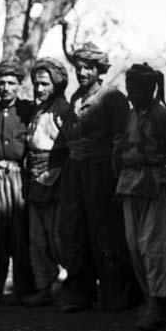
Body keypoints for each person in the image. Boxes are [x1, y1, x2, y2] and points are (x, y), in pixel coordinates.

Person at [60, 42, 140, 312]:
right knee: (76, 230)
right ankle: (81, 294)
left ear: (99, 69)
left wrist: (117, 173)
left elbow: (124, 136)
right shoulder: (74, 99)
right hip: (77, 171)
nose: (82, 73)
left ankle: (117, 293)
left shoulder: (112, 97)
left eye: (88, 68)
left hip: (102, 171)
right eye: (79, 68)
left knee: (106, 230)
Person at [116, 64, 166, 331]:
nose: (130, 95)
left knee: (154, 246)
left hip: (153, 185)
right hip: (129, 186)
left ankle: (159, 304)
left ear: (149, 88)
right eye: (128, 88)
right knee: (135, 245)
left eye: (134, 89)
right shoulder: (131, 115)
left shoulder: (163, 117)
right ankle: (150, 298)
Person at [0, 58, 35, 307]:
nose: (6, 88)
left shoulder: (28, 110)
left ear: (20, 85)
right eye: (1, 83)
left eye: (11, 83)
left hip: (19, 177)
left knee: (21, 233)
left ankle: (24, 288)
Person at [22, 58, 70, 307]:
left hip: (56, 179)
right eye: (35, 84)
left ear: (57, 84)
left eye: (44, 84)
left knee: (58, 237)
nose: (39, 89)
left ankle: (67, 288)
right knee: (37, 238)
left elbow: (72, 145)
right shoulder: (38, 110)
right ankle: (44, 287)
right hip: (35, 180)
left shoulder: (62, 109)